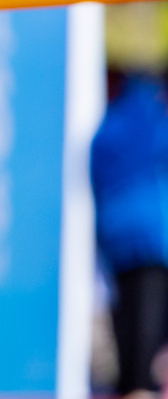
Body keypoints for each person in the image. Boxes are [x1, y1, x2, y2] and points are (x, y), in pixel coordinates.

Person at [93, 67, 168, 396]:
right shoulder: (153, 122)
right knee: (144, 349)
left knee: (131, 343)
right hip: (152, 242)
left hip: (120, 243)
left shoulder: (109, 127)